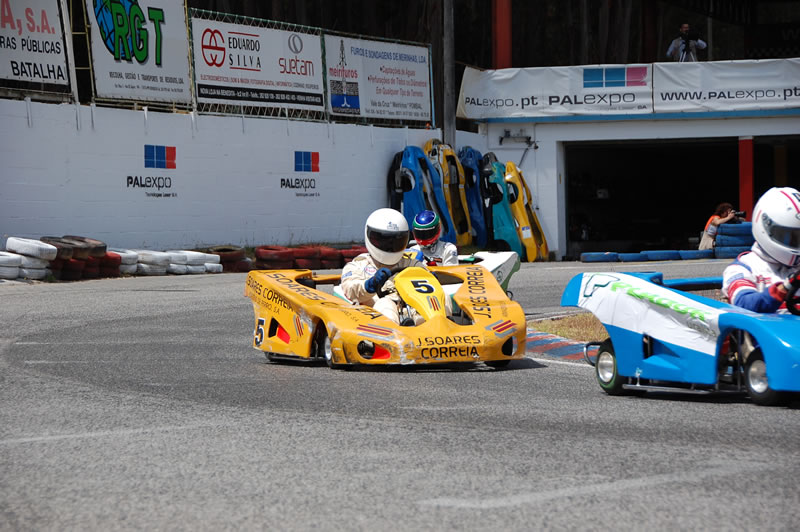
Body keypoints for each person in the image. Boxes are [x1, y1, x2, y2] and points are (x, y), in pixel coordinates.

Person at [341, 207, 450, 324]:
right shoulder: (359, 264)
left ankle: (443, 330)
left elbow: (427, 285)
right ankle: (392, 337)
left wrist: (431, 280)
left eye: (395, 241)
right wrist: (370, 284)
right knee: (385, 304)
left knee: (444, 297)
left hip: (412, 310)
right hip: (375, 316)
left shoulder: (410, 263)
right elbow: (349, 288)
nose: (390, 246)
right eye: (385, 241)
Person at [722, 187, 800, 313]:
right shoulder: (742, 267)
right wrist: (785, 287)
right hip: (767, 331)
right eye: (789, 236)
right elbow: (744, 303)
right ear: (765, 226)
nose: (796, 243)